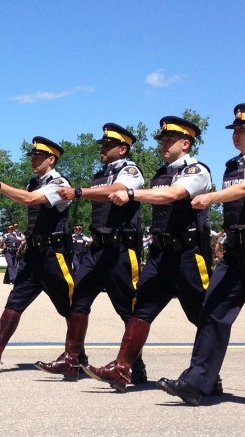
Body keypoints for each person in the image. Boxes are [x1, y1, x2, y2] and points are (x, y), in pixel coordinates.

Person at [158, 103, 245, 409]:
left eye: (243, 129)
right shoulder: (231, 166)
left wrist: (211, 196)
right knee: (212, 313)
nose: (237, 134)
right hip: (234, 254)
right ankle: (197, 383)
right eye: (235, 130)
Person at [83, 116, 214, 392]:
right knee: (140, 311)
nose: (164, 143)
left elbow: (173, 195)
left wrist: (132, 193)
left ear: (186, 143)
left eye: (169, 139)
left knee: (203, 316)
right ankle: (122, 369)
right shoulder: (160, 174)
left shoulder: (197, 171)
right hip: (160, 255)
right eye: (162, 139)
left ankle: (207, 378)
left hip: (189, 255)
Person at [33, 123, 145, 381]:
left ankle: (133, 367)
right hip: (97, 250)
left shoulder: (131, 170)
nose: (102, 148)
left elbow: (118, 190)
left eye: (108, 145)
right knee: (79, 300)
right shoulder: (99, 175)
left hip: (120, 250)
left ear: (123, 148)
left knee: (127, 309)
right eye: (102, 145)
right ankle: (72, 360)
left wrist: (80, 192)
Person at [0, 137, 74, 373]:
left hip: (54, 255)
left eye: (39, 156)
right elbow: (27, 199)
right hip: (34, 254)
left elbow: (30, 199)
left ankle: (75, 357)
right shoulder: (34, 182)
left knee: (70, 306)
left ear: (51, 159)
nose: (34, 160)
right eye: (32, 156)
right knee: (15, 301)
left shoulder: (59, 182)